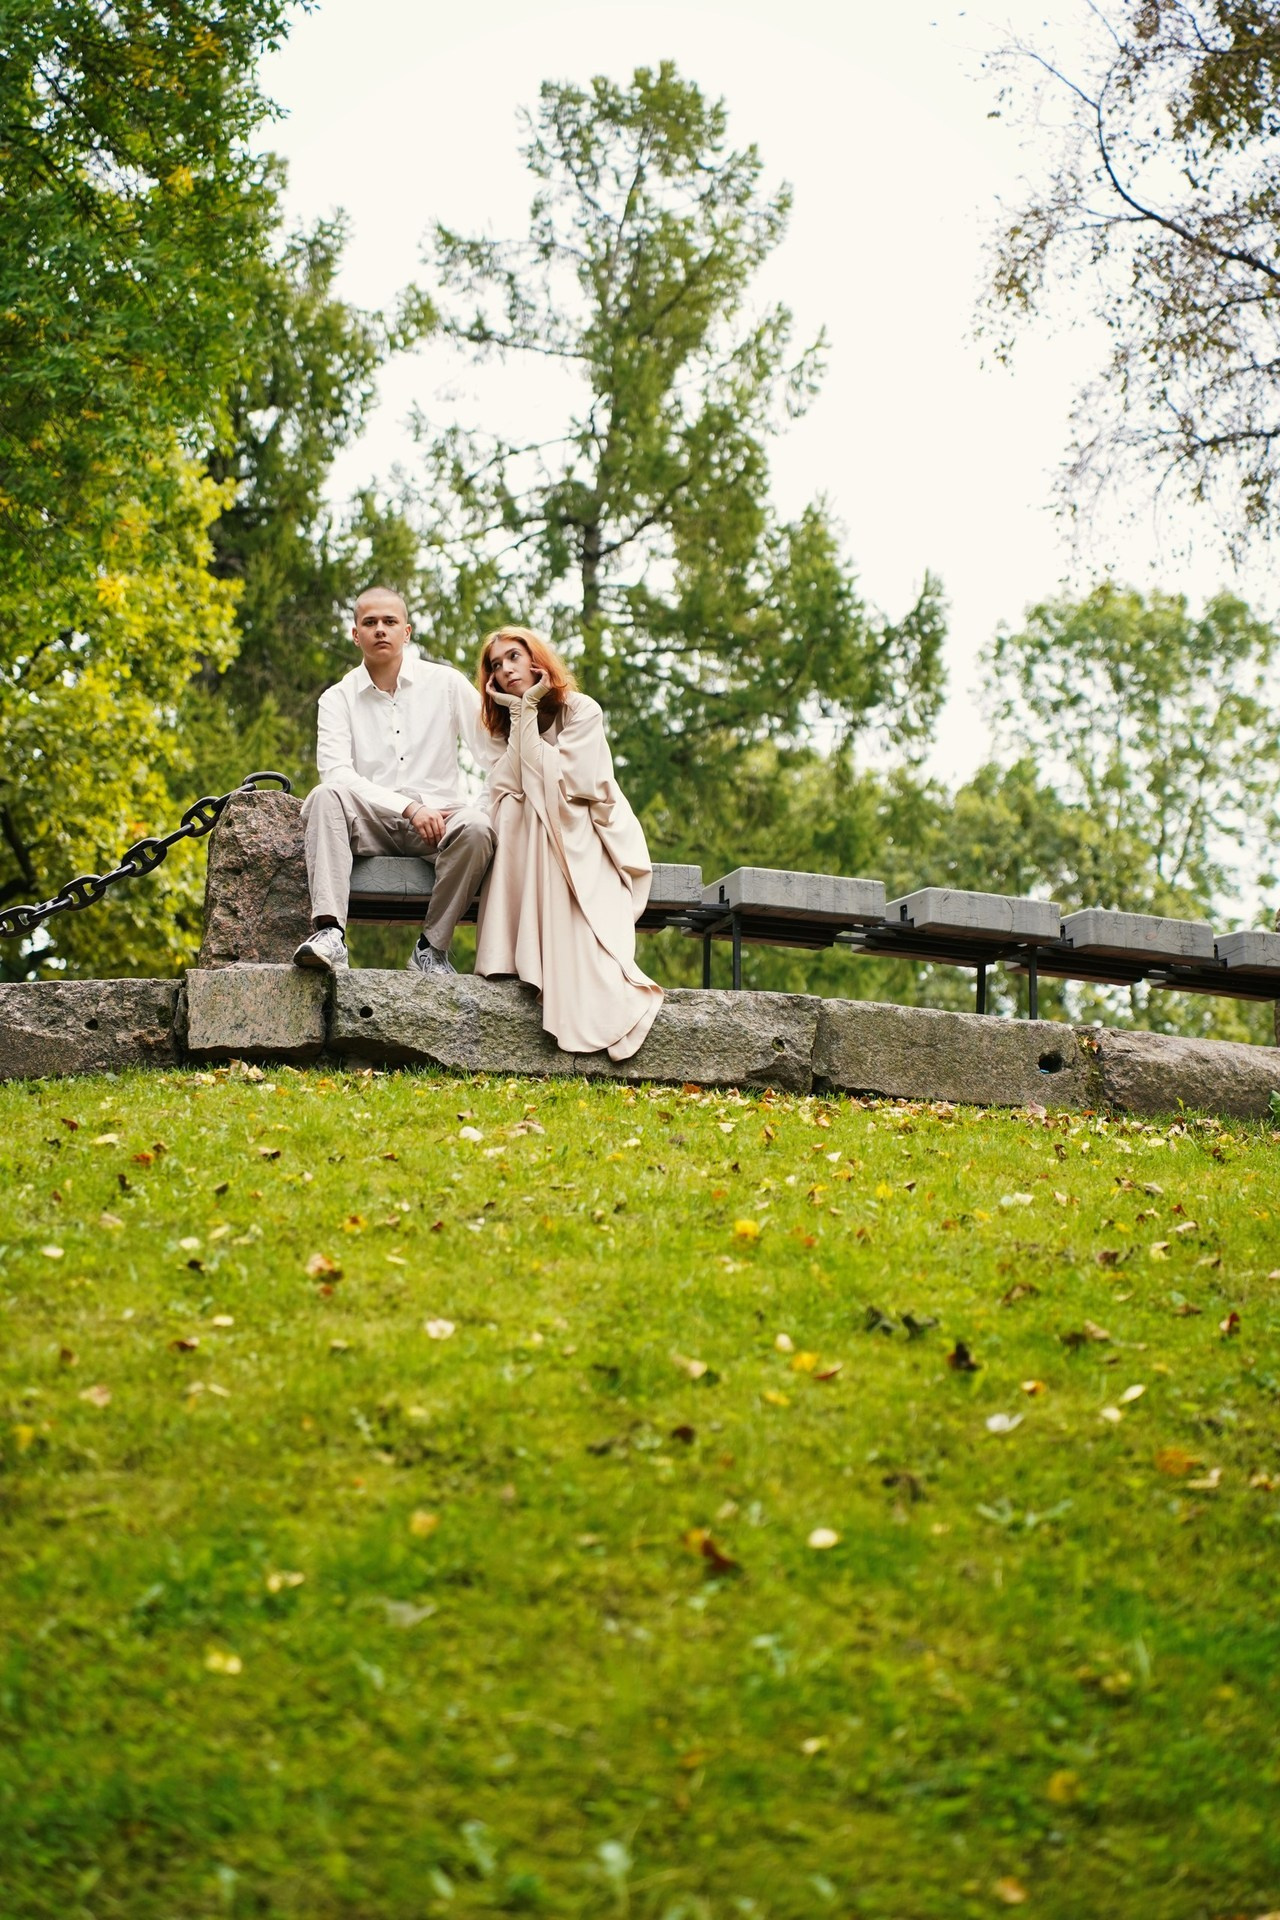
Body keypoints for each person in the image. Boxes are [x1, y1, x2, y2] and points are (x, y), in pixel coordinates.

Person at [473, 625, 663, 1060]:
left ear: (536, 658)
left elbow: (570, 784)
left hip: (590, 823)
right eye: (496, 666)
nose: (505, 670)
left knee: (536, 804)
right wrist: (520, 712)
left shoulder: (581, 709)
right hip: (543, 825)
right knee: (517, 807)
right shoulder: (506, 721)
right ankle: (514, 954)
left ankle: (569, 967)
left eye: (513, 657)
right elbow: (513, 781)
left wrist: (527, 707)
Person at [293, 587, 496, 976]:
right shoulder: (337, 698)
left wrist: (477, 808)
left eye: (389, 622)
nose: (380, 630)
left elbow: (495, 757)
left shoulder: (447, 684)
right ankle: (330, 935)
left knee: (478, 827)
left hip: (441, 823)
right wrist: (408, 808)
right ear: (356, 635)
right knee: (324, 795)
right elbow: (336, 772)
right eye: (370, 623)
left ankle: (431, 950)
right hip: (372, 822)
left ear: (407, 631)